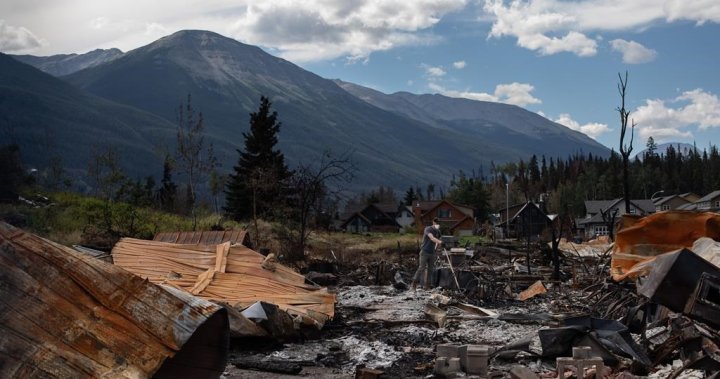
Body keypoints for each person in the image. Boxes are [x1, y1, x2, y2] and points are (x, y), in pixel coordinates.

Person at [411, 218, 443, 290]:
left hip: (432, 253)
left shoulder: (438, 232)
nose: (437, 225)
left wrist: (438, 246)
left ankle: (427, 285)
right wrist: (440, 242)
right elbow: (431, 238)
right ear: (433, 223)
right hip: (424, 252)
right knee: (422, 268)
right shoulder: (428, 229)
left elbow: (439, 241)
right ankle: (414, 282)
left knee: (431, 269)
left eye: (438, 224)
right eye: (436, 223)